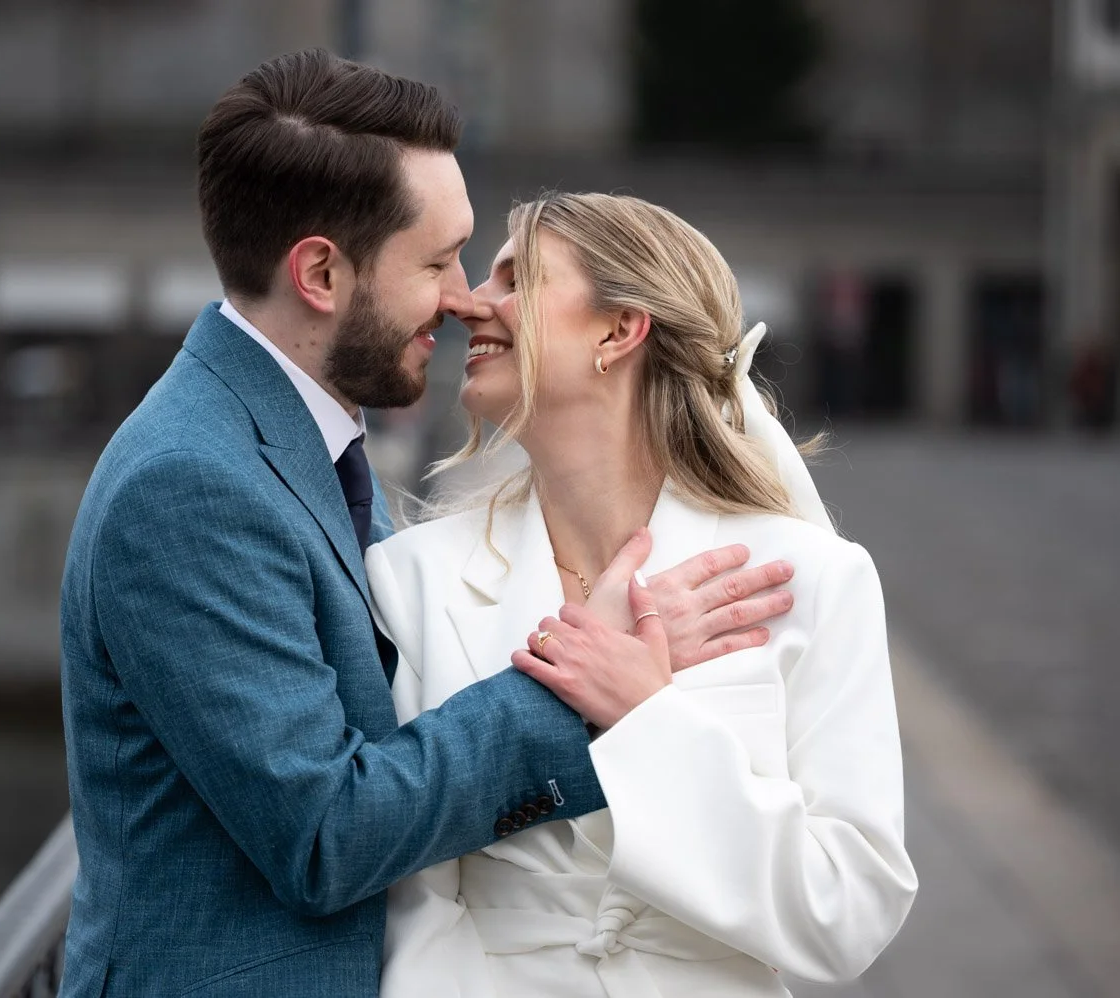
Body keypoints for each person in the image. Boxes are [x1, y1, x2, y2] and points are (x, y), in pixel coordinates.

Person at [58, 51, 795, 998]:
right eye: (439, 260)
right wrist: (578, 682)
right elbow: (325, 833)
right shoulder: (192, 486)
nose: (463, 300)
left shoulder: (268, 443)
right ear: (321, 272)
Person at [373, 193, 918, 997]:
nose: (468, 302)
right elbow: (409, 904)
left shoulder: (811, 579)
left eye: (516, 277)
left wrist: (647, 721)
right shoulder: (411, 578)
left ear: (619, 329)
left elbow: (850, 912)